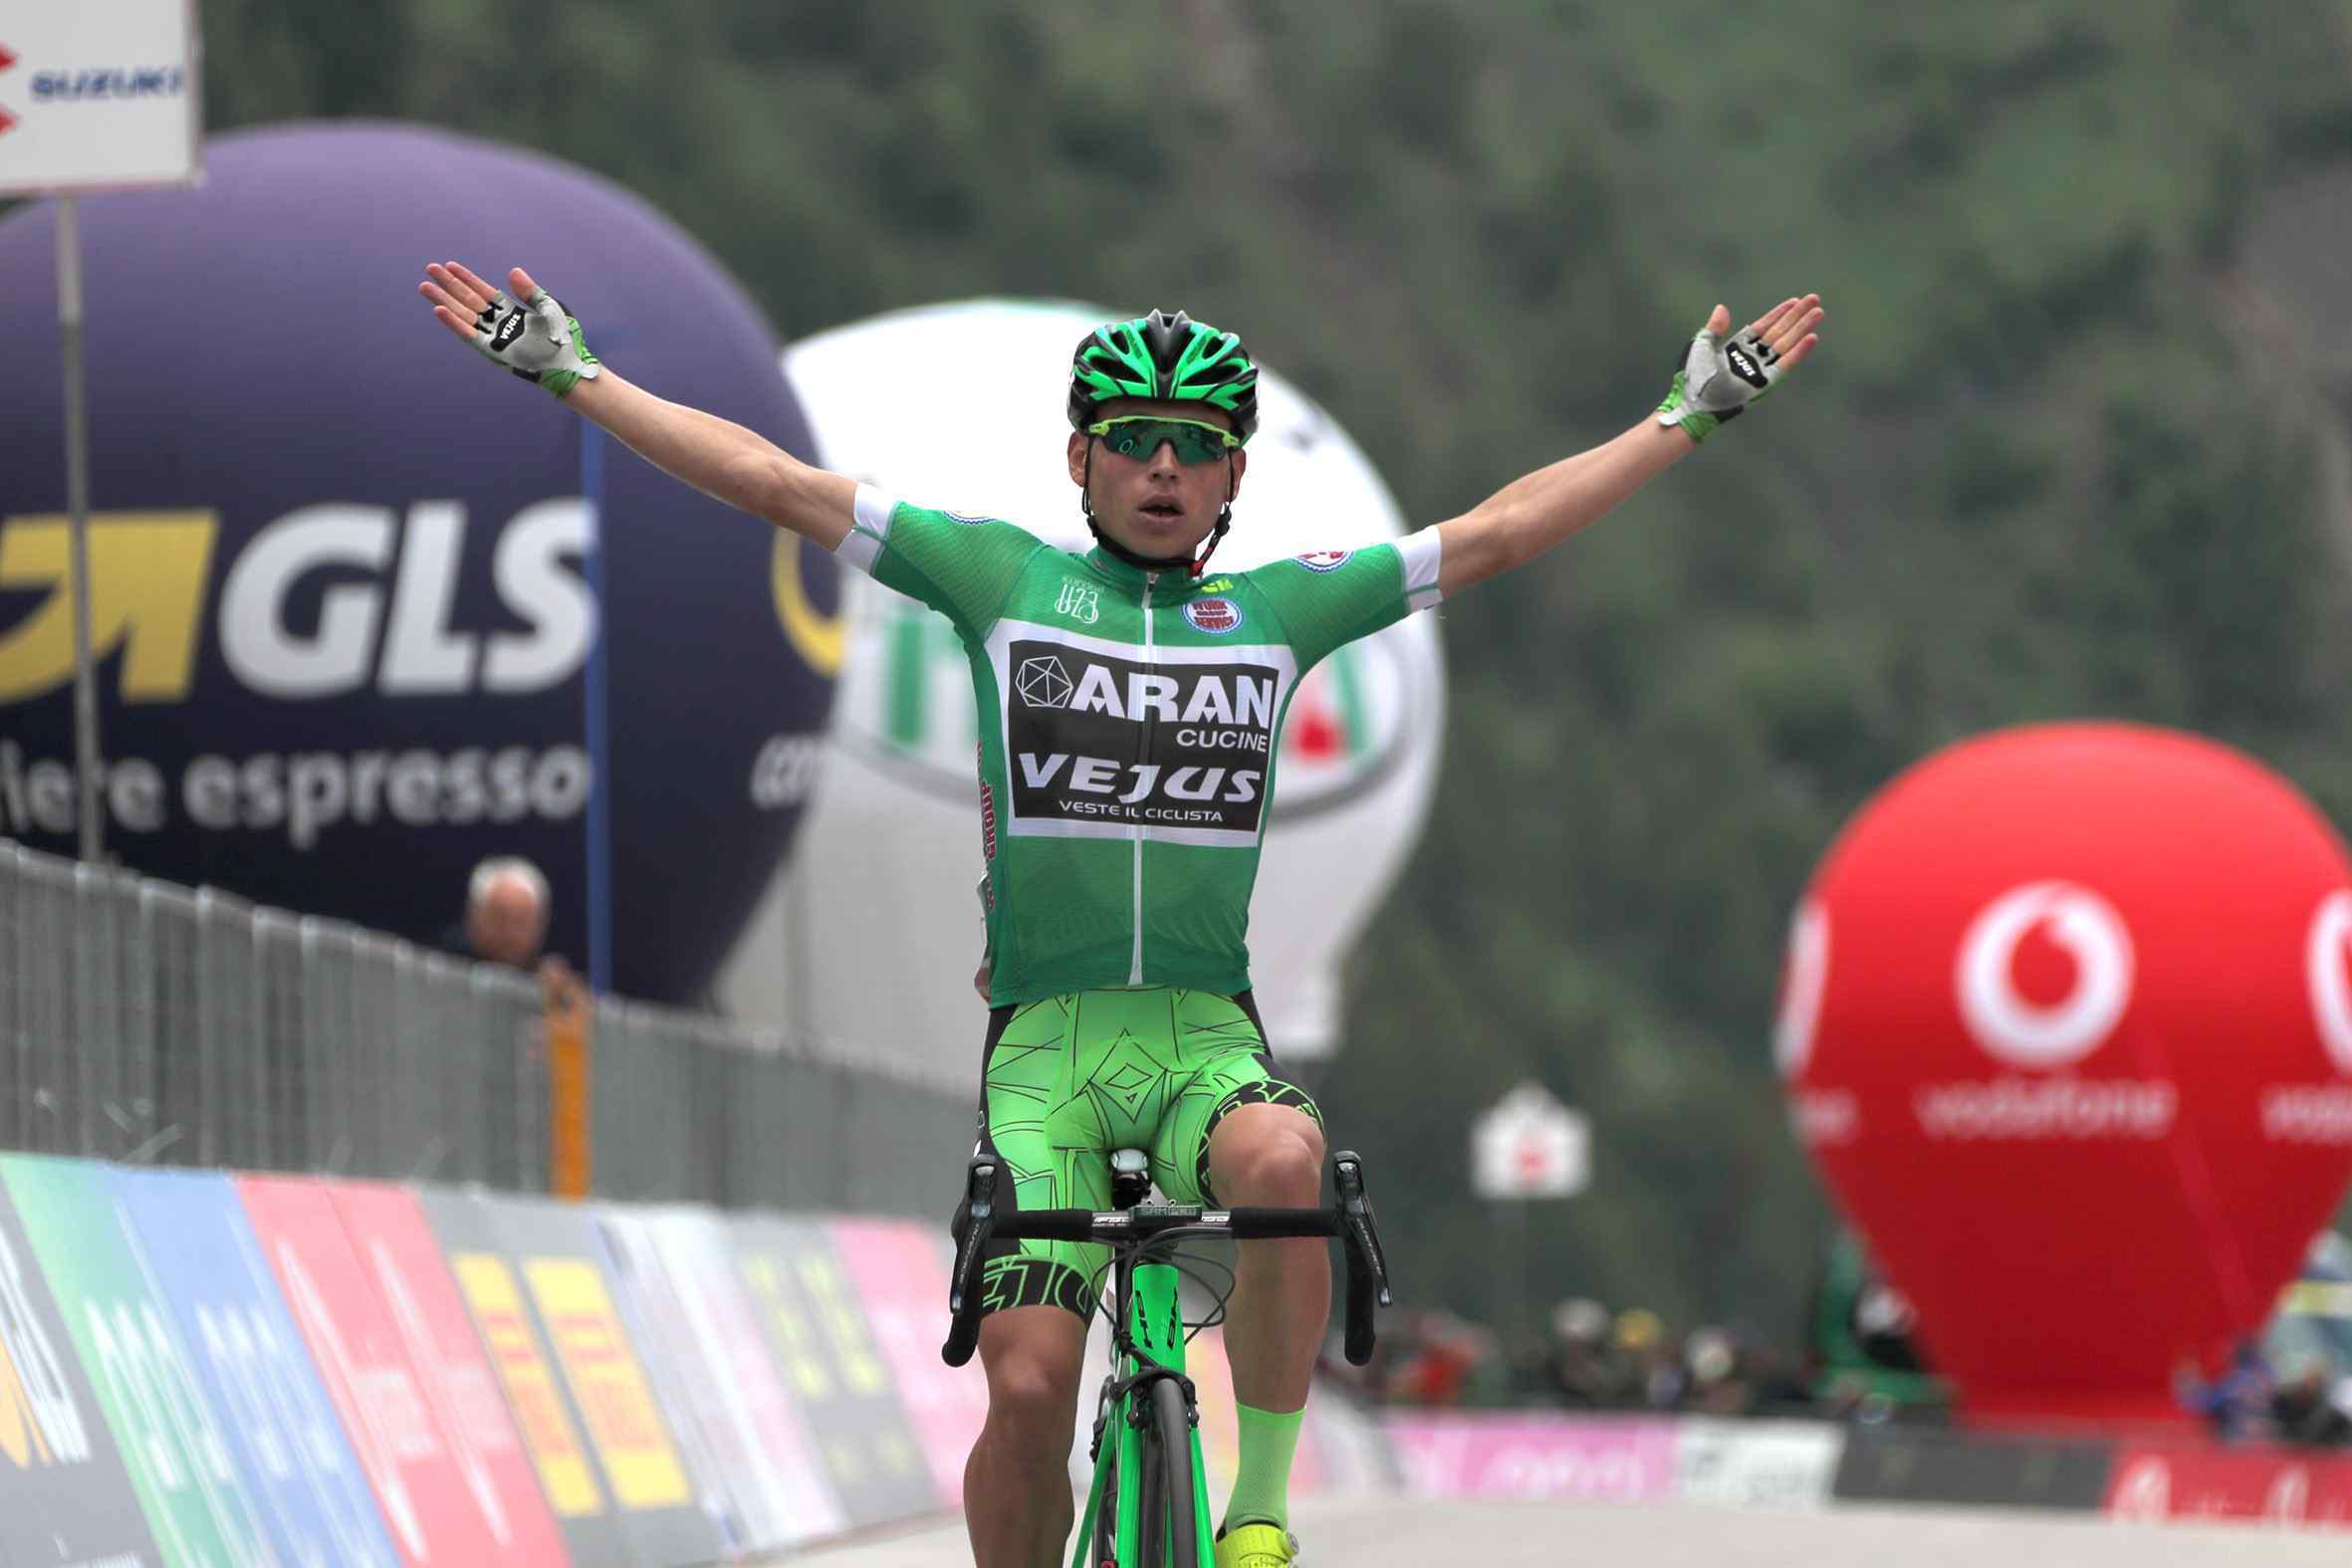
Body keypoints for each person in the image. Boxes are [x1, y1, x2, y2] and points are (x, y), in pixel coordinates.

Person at [418, 260, 1821, 1568]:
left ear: (1233, 476)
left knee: (1285, 1157)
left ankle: (1257, 1511)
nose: (1163, 468)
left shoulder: (1278, 611)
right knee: (1030, 1388)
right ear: (1078, 458)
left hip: (1204, 1038)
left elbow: (1501, 533)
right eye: (1134, 440)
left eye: (1195, 445)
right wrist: (578, 377)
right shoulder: (998, 579)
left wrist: (1683, 416)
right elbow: (776, 481)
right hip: (1048, 1059)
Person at [442, 854, 554, 970]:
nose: (510, 933)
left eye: (520, 922)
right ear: (474, 916)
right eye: (499, 919)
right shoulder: (445, 962)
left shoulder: (543, 975)